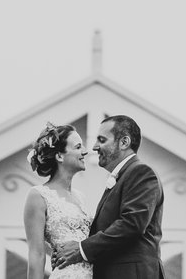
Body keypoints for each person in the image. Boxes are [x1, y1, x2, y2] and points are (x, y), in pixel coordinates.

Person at [52, 115, 165, 279]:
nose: (95, 147)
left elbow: (131, 224)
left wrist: (81, 249)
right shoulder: (123, 176)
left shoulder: (141, 172)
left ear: (124, 142)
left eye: (102, 140)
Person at [23, 122, 94, 279]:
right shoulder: (38, 196)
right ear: (60, 156)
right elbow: (37, 254)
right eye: (78, 147)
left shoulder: (81, 198)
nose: (85, 152)